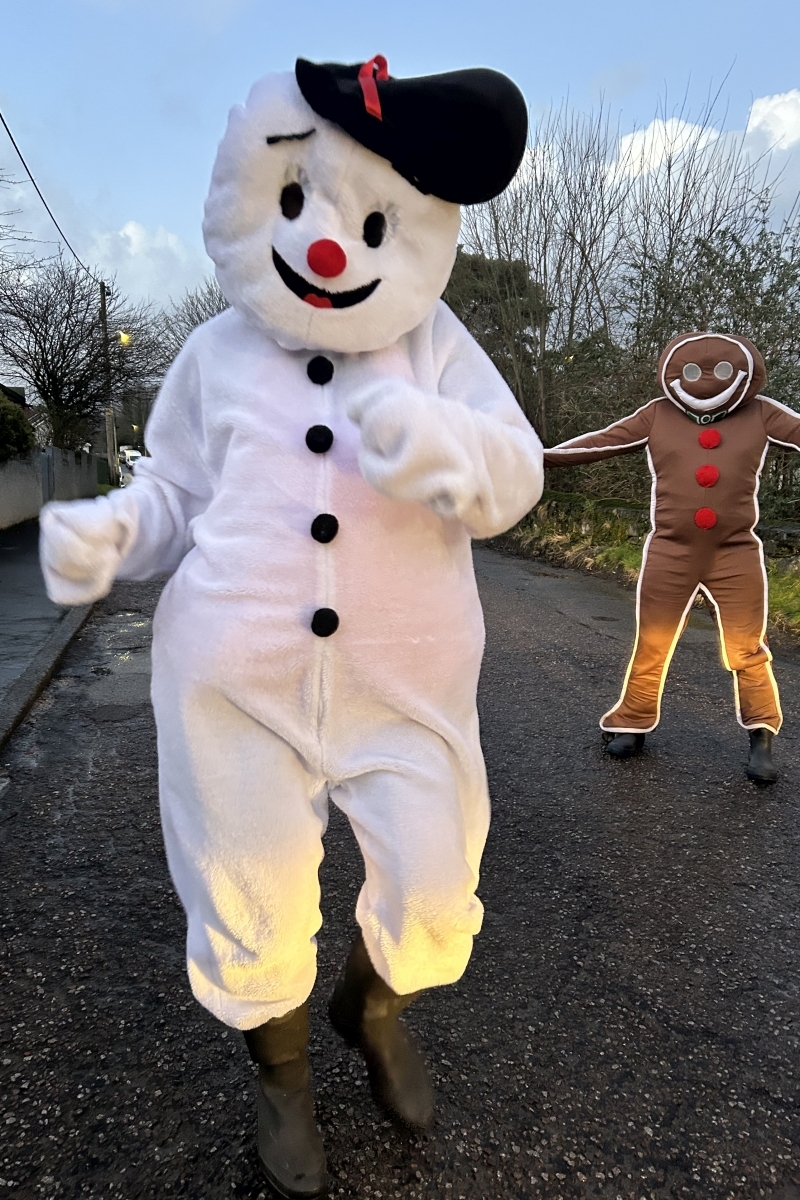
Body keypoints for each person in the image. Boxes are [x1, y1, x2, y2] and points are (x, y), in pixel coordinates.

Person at [39, 55, 543, 1198]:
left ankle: (369, 1003)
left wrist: (443, 446)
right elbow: (172, 492)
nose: (325, 246)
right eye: (293, 205)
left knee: (431, 882)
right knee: (247, 879)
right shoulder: (214, 357)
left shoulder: (436, 346)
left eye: (368, 221)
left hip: (405, 683)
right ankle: (279, 1073)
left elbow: (513, 473)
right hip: (235, 682)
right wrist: (115, 535)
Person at [544, 331, 800, 784]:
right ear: (671, 373)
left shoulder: (762, 413)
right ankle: (633, 722)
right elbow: (602, 441)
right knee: (653, 641)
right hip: (669, 551)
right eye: (691, 371)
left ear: (743, 373)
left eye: (721, 371)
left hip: (736, 553)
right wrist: (538, 456)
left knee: (747, 648)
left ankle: (762, 734)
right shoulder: (657, 414)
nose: (703, 380)